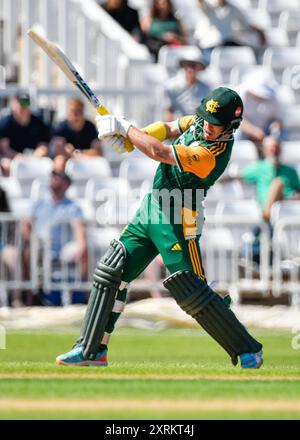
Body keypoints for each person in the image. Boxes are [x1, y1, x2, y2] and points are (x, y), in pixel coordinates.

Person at [56, 87, 263, 369]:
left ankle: (248, 349)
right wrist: (131, 139)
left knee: (190, 291)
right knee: (111, 270)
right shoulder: (200, 121)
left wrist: (127, 130)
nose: (208, 128)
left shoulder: (212, 154)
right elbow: (166, 129)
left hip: (179, 216)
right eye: (206, 120)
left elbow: (159, 152)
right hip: (152, 206)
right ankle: (91, 350)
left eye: (216, 126)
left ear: (230, 127)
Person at [20, 170, 88, 305]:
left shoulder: (72, 207)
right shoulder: (39, 203)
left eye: (58, 177)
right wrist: (31, 239)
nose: (53, 179)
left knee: (83, 250)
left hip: (62, 248)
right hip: (39, 246)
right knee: (28, 252)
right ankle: (30, 295)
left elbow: (79, 231)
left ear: (66, 184)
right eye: (53, 176)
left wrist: (81, 246)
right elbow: (24, 224)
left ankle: (84, 294)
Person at [242, 136, 300, 222]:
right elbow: (239, 176)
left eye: (276, 148)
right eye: (271, 148)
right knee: (278, 183)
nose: (274, 151)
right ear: (265, 150)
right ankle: (266, 219)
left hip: (289, 203)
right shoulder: (259, 168)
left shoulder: (291, 171)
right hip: (270, 206)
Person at [0, 91, 51, 174]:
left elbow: (43, 146)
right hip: (11, 159)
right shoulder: (5, 123)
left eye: (25, 104)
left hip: (34, 159)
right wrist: (17, 157)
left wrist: (34, 156)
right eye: (20, 104)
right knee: (6, 166)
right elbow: (4, 148)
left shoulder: (39, 124)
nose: (22, 108)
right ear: (14, 105)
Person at [194, 0, 266, 59]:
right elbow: (201, 4)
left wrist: (259, 31)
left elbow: (245, 26)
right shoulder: (209, 7)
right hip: (211, 45)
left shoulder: (233, 9)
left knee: (248, 53)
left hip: (228, 43)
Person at [236, 70, 284, 156]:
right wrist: (254, 131)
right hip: (244, 132)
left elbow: (278, 118)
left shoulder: (274, 98)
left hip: (266, 131)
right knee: (237, 134)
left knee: (282, 135)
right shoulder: (241, 95)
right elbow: (236, 119)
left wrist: (275, 128)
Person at [51, 98, 103, 170]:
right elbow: (59, 152)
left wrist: (76, 153)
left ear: (82, 113)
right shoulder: (61, 127)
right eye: (71, 112)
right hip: (68, 161)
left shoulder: (90, 127)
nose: (74, 116)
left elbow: (98, 152)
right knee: (59, 161)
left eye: (77, 112)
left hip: (86, 160)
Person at [164, 48, 212, 121]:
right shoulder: (171, 86)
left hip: (197, 126)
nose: (191, 69)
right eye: (188, 65)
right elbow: (169, 111)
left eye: (194, 65)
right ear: (184, 66)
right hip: (177, 126)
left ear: (200, 68)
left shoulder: (206, 89)